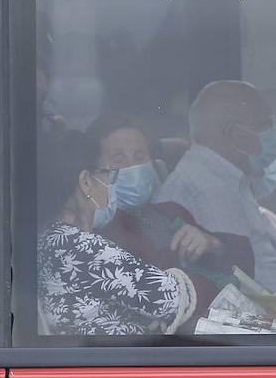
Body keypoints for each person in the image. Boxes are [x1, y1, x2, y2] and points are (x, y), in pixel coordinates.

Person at [85, 114, 254, 316]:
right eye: (118, 159)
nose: (133, 166)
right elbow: (159, 298)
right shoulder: (99, 233)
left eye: (140, 157)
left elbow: (247, 266)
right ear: (94, 172)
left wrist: (214, 245)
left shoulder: (171, 211)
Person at [155, 80, 276, 293]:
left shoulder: (227, 180)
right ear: (233, 134)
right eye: (265, 125)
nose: (275, 132)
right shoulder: (209, 189)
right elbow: (247, 282)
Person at [36, 130, 196, 335]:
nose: (113, 185)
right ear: (86, 182)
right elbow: (173, 298)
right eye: (110, 174)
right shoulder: (81, 247)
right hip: (116, 360)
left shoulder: (49, 237)